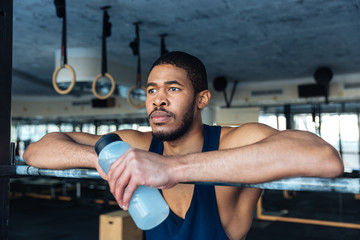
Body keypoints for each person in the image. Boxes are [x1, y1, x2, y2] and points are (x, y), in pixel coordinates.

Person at [23, 51, 344, 240]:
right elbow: (37, 150)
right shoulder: (136, 146)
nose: (158, 98)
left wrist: (172, 169)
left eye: (172, 88)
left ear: (202, 98)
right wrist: (102, 161)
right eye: (151, 90)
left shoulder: (234, 140)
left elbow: (324, 159)